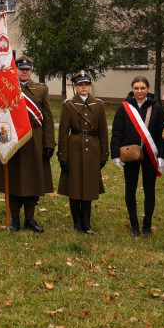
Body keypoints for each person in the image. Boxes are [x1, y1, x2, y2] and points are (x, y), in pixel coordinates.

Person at [0, 56, 55, 232]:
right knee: (13, 180)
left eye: (27, 69)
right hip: (13, 140)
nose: (24, 71)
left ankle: (30, 219)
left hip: (35, 140)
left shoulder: (41, 90)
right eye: (21, 69)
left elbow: (48, 118)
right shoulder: (6, 89)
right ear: (15, 70)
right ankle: (15, 219)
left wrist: (49, 143)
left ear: (31, 70)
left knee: (33, 181)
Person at [109, 76, 164, 237]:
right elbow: (117, 132)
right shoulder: (124, 107)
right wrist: (115, 154)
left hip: (150, 154)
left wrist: (162, 156)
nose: (139, 91)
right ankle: (134, 225)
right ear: (132, 89)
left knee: (149, 190)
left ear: (148, 89)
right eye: (136, 88)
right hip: (130, 154)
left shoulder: (156, 108)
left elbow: (163, 135)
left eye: (142, 88)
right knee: (130, 189)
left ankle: (147, 225)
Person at [57, 70, 108, 234]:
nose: (83, 87)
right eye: (80, 85)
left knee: (89, 186)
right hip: (74, 150)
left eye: (86, 84)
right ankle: (77, 223)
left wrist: (104, 154)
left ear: (91, 86)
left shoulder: (99, 105)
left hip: (93, 150)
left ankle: (87, 223)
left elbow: (103, 132)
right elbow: (63, 133)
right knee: (74, 186)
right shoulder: (68, 105)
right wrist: (62, 156)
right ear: (75, 87)